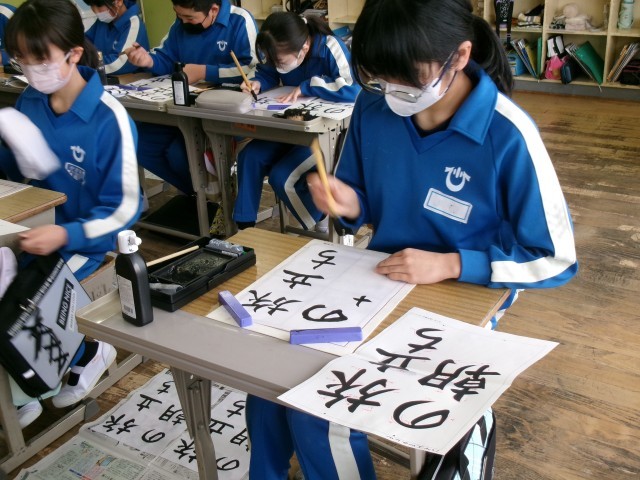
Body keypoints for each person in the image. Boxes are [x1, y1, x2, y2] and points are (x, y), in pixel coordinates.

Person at [251, 0, 579, 479]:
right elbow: (362, 199)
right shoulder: (373, 105)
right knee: (266, 379)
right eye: (378, 77)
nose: (392, 92)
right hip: (380, 277)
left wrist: (451, 264)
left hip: (464, 295)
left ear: (459, 56)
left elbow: (555, 259)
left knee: (321, 411)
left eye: (405, 77)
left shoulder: (507, 134)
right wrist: (349, 203)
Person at [0, 0, 142, 429]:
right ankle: (25, 388)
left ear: (74, 53)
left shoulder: (109, 118)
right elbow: (19, 176)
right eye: (21, 60)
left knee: (21, 305)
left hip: (86, 242)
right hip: (33, 231)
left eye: (39, 59)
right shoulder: (29, 101)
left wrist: (66, 236)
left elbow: (126, 207)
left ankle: (89, 350)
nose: (30, 70)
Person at [233, 11, 360, 232]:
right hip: (289, 129)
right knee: (249, 156)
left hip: (324, 136)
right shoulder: (279, 48)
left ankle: (320, 218)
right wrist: (257, 83)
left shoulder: (329, 46)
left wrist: (307, 86)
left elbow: (353, 88)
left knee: (282, 177)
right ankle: (245, 228)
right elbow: (268, 73)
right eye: (273, 60)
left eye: (280, 61)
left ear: (304, 48)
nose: (277, 65)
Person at [125, 0, 258, 195]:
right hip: (181, 110)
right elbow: (166, 59)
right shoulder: (181, 23)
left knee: (178, 155)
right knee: (140, 145)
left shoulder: (239, 20)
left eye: (189, 17)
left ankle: (211, 196)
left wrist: (205, 71)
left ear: (214, 10)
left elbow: (252, 70)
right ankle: (198, 195)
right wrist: (149, 60)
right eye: (178, 15)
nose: (183, 21)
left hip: (220, 115)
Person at [83, 0, 150, 76]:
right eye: (91, 6)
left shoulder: (133, 24)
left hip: (130, 79)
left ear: (118, 1)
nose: (95, 11)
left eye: (99, 6)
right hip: (104, 76)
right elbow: (84, 43)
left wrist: (85, 65)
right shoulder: (102, 22)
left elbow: (118, 64)